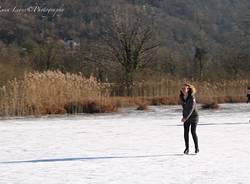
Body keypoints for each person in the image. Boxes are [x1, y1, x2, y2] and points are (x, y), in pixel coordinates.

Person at [179, 83, 199, 154]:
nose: (184, 90)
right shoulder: (181, 97)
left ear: (188, 89)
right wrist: (184, 116)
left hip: (194, 116)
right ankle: (187, 149)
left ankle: (197, 148)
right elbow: (184, 108)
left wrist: (186, 117)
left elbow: (191, 108)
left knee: (193, 132)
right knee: (185, 133)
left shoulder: (192, 97)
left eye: (185, 88)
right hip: (186, 117)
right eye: (183, 88)